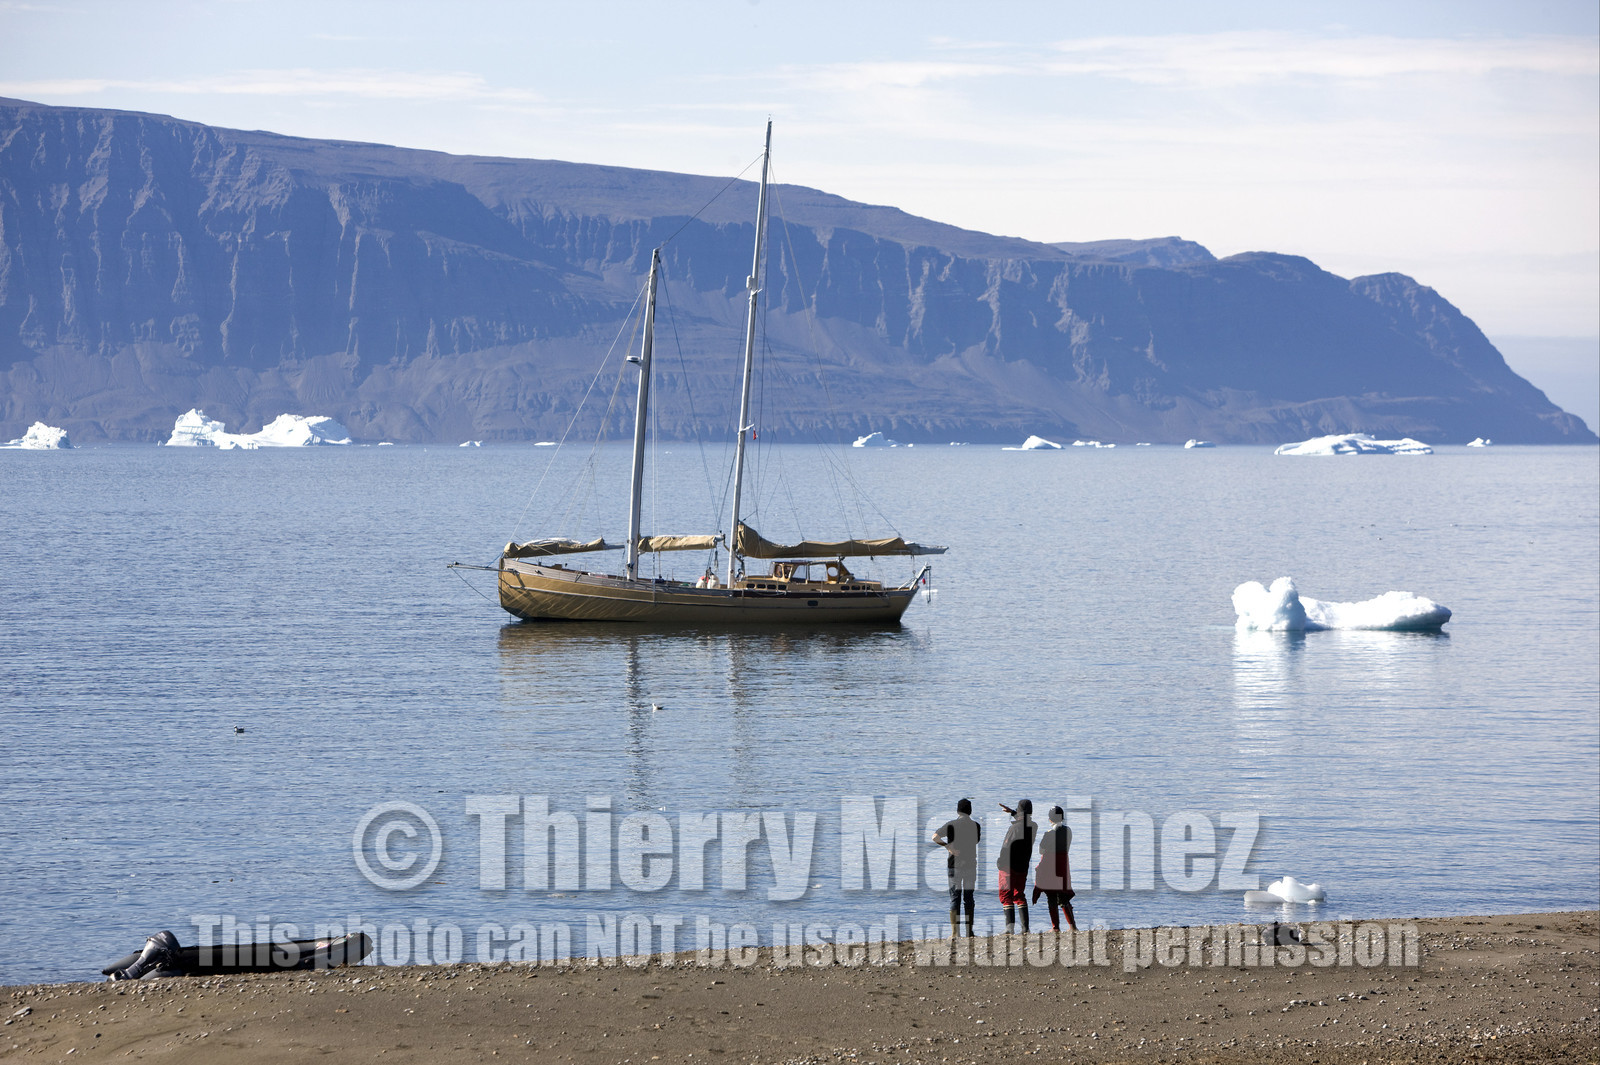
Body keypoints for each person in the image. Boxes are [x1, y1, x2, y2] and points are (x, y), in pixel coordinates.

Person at [931, 798, 981, 938]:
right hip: (970, 865)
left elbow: (935, 837)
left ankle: (955, 933)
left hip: (954, 866)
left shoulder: (951, 824)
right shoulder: (976, 826)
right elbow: (976, 841)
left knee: (955, 898)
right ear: (970, 811)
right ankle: (970, 932)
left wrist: (948, 846)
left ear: (958, 810)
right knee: (969, 898)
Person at [1031, 805, 1077, 930]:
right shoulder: (1068, 831)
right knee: (1063, 896)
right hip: (1062, 866)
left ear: (1050, 819)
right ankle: (1072, 926)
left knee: (1051, 896)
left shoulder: (1049, 834)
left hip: (1050, 867)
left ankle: (1055, 927)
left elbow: (1041, 851)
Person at [996, 798, 1035, 934]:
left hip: (1008, 866)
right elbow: (1024, 820)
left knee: (1006, 895)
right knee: (1019, 895)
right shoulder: (1033, 826)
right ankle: (1025, 929)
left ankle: (1009, 929)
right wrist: (1012, 812)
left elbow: (1006, 847)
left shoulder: (1014, 828)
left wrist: (999, 862)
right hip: (1023, 866)